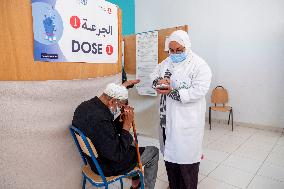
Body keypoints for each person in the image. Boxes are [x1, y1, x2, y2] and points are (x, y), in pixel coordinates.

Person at [150, 30, 212, 189]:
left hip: (186, 123)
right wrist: (158, 82)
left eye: (179, 50)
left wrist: (172, 92)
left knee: (186, 164)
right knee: (170, 159)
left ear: (187, 46)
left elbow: (198, 91)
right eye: (171, 50)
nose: (175, 53)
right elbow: (153, 77)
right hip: (166, 121)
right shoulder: (166, 63)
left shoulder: (199, 65)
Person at [72, 81, 159, 189]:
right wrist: (126, 126)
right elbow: (118, 155)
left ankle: (135, 182)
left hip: (95, 159)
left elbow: (107, 131)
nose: (118, 109)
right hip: (106, 166)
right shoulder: (101, 120)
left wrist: (121, 119)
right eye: (119, 106)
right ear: (112, 101)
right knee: (154, 151)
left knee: (130, 142)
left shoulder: (84, 107)